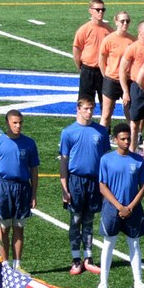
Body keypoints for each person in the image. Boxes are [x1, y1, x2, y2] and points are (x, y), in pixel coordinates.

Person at [94, 123, 144, 288]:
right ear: (115, 140)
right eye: (123, 139)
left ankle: (138, 282)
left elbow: (143, 187)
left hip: (133, 210)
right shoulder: (106, 159)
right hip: (112, 209)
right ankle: (103, 283)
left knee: (134, 244)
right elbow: (102, 186)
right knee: (108, 244)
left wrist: (130, 207)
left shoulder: (138, 160)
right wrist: (120, 207)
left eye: (129, 139)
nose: (127, 142)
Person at [57, 99, 110, 276]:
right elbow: (63, 162)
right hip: (76, 181)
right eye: (86, 109)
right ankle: (75, 259)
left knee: (89, 220)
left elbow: (104, 161)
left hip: (94, 181)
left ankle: (88, 258)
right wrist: (65, 188)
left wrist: (104, 185)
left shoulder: (101, 132)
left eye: (91, 109)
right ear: (78, 109)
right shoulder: (68, 132)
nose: (89, 112)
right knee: (76, 220)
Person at [0, 109, 38, 271]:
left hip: (23, 188)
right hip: (3, 187)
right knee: (3, 228)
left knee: (19, 227)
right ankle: (5, 264)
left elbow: (34, 171)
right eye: (14, 123)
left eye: (20, 123)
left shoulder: (29, 143)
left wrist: (34, 194)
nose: (18, 126)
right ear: (7, 123)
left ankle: (17, 265)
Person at [71, 0, 111, 106]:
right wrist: (80, 66)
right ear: (90, 11)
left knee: (105, 103)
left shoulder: (109, 30)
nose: (100, 12)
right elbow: (76, 49)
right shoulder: (84, 29)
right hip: (88, 70)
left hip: (103, 71)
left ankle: (105, 123)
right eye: (97, 10)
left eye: (103, 10)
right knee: (85, 102)